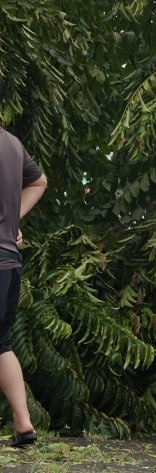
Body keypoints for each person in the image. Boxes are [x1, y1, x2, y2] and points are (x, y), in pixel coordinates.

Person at [0, 89, 46, 447]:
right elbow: (39, 181)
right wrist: (13, 218)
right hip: (9, 261)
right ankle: (23, 423)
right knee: (2, 343)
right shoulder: (11, 143)